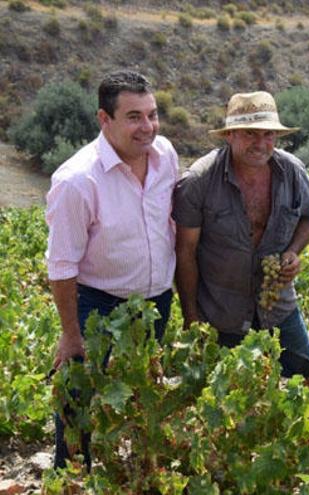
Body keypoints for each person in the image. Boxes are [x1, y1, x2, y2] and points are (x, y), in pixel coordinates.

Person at [46, 69, 178, 469]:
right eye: (134, 116)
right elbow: (62, 265)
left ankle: (137, 474)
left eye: (152, 114)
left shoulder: (166, 156)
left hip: (156, 303)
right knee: (77, 399)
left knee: (143, 395)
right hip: (99, 304)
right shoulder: (76, 180)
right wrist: (71, 334)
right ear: (104, 119)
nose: (147, 127)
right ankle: (70, 475)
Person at [173, 91, 309, 397]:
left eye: (268, 134)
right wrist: (191, 315)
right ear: (230, 135)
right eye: (250, 134)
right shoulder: (200, 181)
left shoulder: (292, 172)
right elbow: (186, 252)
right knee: (226, 395)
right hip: (222, 310)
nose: (261, 144)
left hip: (278, 305)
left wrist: (292, 252)